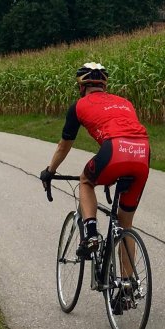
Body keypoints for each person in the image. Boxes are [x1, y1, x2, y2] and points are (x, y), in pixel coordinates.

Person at [40, 62, 150, 258]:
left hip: (115, 150)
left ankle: (90, 234)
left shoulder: (79, 105)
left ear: (82, 87)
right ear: (104, 86)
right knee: (126, 225)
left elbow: (64, 145)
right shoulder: (125, 102)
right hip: (143, 152)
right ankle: (127, 285)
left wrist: (50, 171)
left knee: (86, 180)